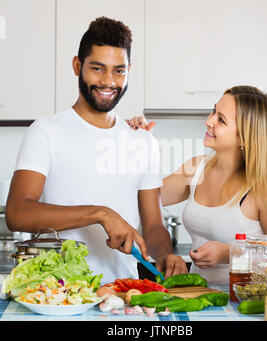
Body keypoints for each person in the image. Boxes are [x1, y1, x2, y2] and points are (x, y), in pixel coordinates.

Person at [5, 16, 187, 284]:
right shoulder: (46, 131)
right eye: (98, 69)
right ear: (77, 66)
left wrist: (165, 256)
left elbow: (154, 226)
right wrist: (100, 213)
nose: (109, 81)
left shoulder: (142, 141)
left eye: (119, 70)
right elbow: (17, 213)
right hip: (61, 295)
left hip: (121, 293)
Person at [127, 85, 267, 285]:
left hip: (249, 306)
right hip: (204, 298)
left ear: (245, 136)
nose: (209, 121)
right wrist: (138, 143)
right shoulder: (196, 168)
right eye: (213, 111)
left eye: (221, 120)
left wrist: (230, 253)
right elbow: (141, 197)